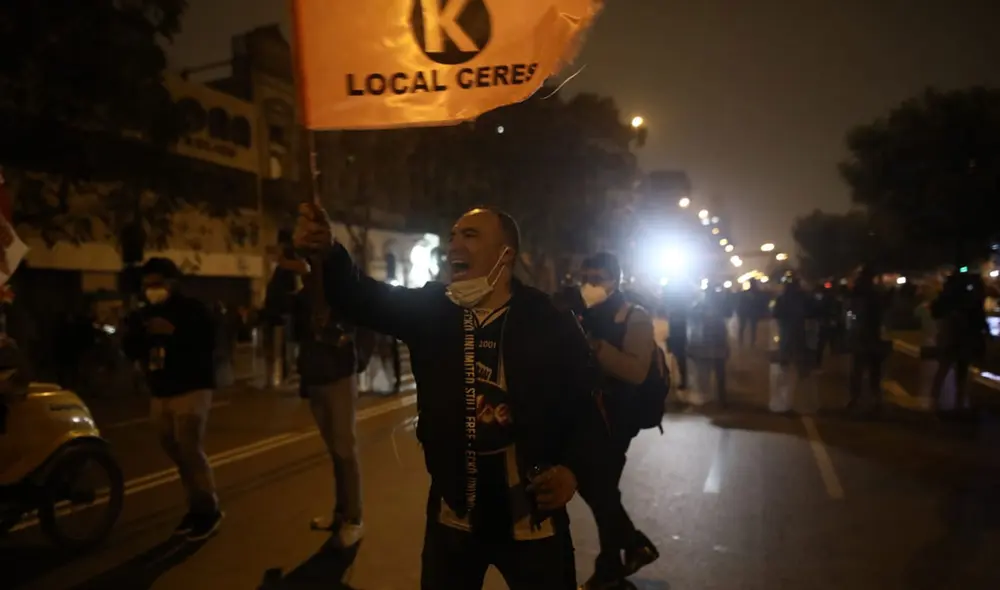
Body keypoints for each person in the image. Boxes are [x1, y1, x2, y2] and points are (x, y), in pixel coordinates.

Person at [295, 204, 615, 589]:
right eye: (452, 237)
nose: (454, 246)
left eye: (470, 235)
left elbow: (589, 406)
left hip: (532, 518)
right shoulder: (433, 311)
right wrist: (329, 252)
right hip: (455, 515)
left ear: (505, 254)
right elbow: (361, 296)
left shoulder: (549, 319)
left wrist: (571, 471)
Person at [267, 253, 366, 547]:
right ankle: (340, 512)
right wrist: (280, 271)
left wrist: (356, 359)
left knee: (345, 449)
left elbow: (367, 324)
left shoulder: (340, 294)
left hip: (338, 377)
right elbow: (273, 309)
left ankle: (354, 519)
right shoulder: (302, 298)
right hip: (315, 378)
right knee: (334, 450)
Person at [122, 258, 222, 541]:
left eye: (157, 284)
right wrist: (135, 332)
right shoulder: (143, 315)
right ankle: (194, 506)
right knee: (175, 451)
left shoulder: (192, 310)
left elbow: (208, 343)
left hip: (192, 387)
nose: (152, 290)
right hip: (161, 390)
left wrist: (174, 333)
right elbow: (133, 350)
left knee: (190, 448)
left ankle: (208, 510)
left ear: (172, 283)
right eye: (147, 285)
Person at [578, 253, 660, 589]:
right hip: (587, 415)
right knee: (600, 489)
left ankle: (617, 558)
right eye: (585, 277)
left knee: (598, 488)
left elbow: (636, 372)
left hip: (618, 418)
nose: (589, 284)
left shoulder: (635, 317)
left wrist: (595, 346)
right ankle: (619, 557)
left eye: (597, 277)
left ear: (615, 281)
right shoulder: (583, 312)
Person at [844, 266, 888, 411]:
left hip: (860, 335)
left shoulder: (856, 294)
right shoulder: (875, 294)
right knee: (874, 369)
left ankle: (855, 398)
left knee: (858, 368)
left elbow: (852, 314)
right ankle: (876, 398)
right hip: (873, 335)